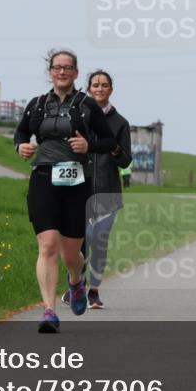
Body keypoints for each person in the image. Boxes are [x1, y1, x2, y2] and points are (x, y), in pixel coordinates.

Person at [14, 49, 118, 333]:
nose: (62, 72)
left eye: (68, 67)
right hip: (43, 178)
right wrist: (21, 146)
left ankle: (75, 282)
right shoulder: (37, 104)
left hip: (75, 182)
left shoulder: (86, 105)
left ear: (75, 72)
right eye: (57, 67)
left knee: (71, 255)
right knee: (47, 245)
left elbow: (109, 141)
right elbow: (21, 133)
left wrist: (88, 146)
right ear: (50, 71)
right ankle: (49, 311)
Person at [61, 69, 131, 309]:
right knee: (80, 243)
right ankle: (75, 287)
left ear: (111, 89)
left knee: (99, 242)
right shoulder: (77, 116)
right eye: (96, 85)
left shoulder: (120, 123)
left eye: (104, 85)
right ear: (89, 89)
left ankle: (94, 291)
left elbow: (126, 161)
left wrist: (114, 149)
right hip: (78, 189)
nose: (100, 88)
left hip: (107, 192)